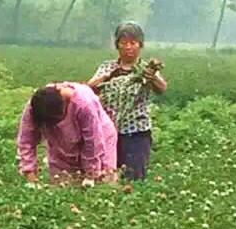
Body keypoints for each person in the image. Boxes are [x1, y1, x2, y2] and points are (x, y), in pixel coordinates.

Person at [87, 22, 168, 180]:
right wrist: (110, 76)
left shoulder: (145, 69)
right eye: (124, 43)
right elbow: (90, 88)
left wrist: (150, 79)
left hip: (137, 132)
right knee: (107, 177)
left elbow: (162, 88)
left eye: (133, 43)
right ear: (117, 45)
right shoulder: (107, 67)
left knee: (134, 177)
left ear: (140, 45)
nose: (128, 47)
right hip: (108, 132)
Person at [16, 83, 118, 185]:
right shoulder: (35, 106)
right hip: (61, 145)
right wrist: (30, 174)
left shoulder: (84, 104)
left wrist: (91, 174)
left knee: (102, 183)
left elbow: (92, 142)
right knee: (62, 184)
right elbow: (26, 140)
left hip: (99, 140)